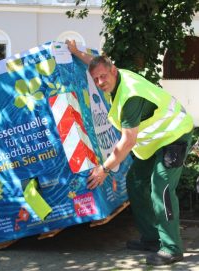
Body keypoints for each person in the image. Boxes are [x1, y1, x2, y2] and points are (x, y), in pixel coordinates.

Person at [66, 40, 194, 265]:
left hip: (175, 135)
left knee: (161, 188)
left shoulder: (130, 97)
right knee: (135, 181)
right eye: (96, 79)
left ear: (113, 71)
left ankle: (171, 247)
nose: (99, 82)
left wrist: (104, 169)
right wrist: (77, 52)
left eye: (103, 77)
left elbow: (127, 142)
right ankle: (152, 239)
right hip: (155, 142)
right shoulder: (114, 74)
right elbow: (96, 64)